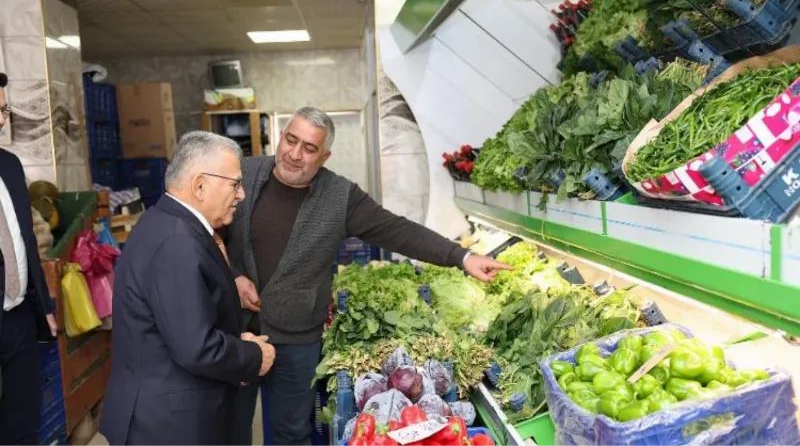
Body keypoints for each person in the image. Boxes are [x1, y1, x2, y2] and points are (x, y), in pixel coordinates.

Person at [222, 107, 512, 446]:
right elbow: (206, 231)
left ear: (325, 156)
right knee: (229, 426)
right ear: (282, 135)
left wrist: (461, 256)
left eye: (309, 148)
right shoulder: (242, 173)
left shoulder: (340, 197)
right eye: (291, 140)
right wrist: (232, 275)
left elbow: (396, 230)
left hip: (297, 339)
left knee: (292, 433)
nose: (295, 154)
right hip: (233, 329)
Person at [100, 132, 276, 446]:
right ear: (199, 186)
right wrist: (252, 355)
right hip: (169, 424)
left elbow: (184, 325)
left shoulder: (168, 223)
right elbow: (197, 348)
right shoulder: (177, 243)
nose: (241, 195)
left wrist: (235, 338)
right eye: (235, 184)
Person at [0, 71, 58, 446]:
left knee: (22, 422)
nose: (1, 119)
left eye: (3, 110)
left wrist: (43, 306)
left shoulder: (9, 165)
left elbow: (25, 242)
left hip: (18, 316)